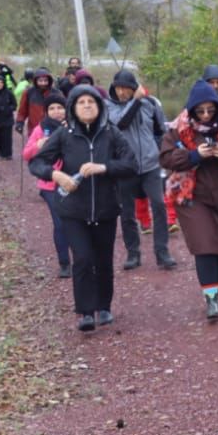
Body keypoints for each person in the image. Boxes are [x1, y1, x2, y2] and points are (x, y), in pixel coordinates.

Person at [27, 85, 134, 332]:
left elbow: (130, 164)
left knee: (103, 260)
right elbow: (37, 162)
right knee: (83, 259)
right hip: (73, 210)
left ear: (99, 107)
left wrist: (104, 167)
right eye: (81, 102)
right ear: (73, 107)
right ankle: (85, 312)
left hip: (106, 208)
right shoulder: (65, 135)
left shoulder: (111, 133)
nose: (87, 106)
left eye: (92, 102)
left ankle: (104, 306)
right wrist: (56, 175)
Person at [160, 81, 218, 319]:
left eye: (210, 111)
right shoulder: (178, 128)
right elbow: (165, 158)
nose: (205, 116)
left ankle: (215, 294)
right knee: (205, 245)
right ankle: (211, 299)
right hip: (191, 196)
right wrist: (195, 155)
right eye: (200, 111)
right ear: (192, 110)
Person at [106, 69, 176, 272]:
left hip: (150, 165)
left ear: (134, 88)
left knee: (159, 205)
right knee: (127, 213)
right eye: (118, 88)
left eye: (126, 89)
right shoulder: (109, 107)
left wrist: (162, 154)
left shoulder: (150, 104)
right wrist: (134, 101)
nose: (122, 92)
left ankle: (162, 253)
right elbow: (120, 124)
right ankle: (133, 253)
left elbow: (160, 131)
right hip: (126, 167)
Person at [22, 94, 72, 277]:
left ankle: (83, 259)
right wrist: (38, 145)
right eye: (52, 109)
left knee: (76, 222)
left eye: (60, 108)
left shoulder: (73, 127)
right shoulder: (40, 129)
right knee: (60, 223)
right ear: (47, 111)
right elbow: (26, 154)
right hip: (49, 184)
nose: (56, 112)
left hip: (73, 182)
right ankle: (65, 263)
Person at [16, 67, 54, 135]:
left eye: (45, 81)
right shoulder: (28, 92)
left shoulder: (56, 93)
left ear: (49, 81)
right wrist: (20, 122)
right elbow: (22, 110)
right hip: (34, 129)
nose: (43, 83)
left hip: (52, 129)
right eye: (40, 81)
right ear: (35, 81)